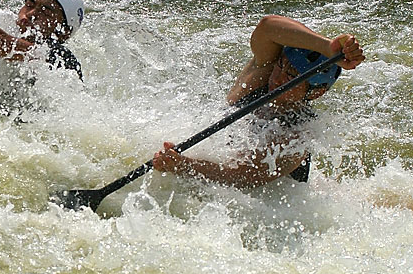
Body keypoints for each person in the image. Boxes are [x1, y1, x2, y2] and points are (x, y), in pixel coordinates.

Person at [152, 15, 365, 188]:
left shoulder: (300, 138)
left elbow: (244, 176)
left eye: (291, 77)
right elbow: (267, 27)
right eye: (282, 65)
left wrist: (183, 166)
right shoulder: (259, 79)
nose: (278, 77)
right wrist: (327, 46)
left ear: (315, 93)